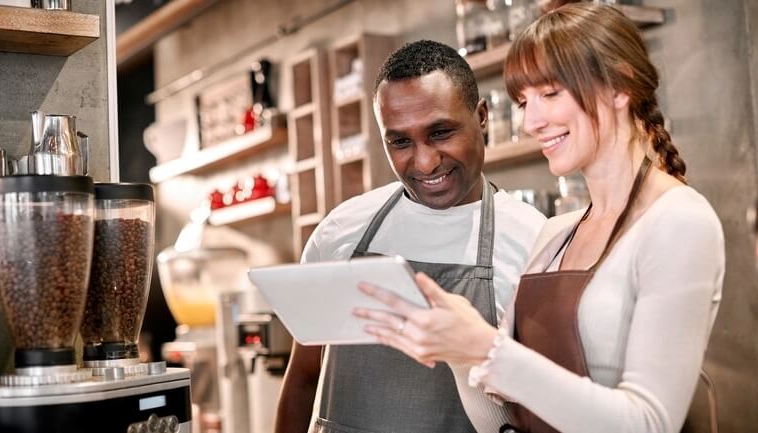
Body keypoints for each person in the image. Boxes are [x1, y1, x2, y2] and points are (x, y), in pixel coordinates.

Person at [354, 4, 725, 433]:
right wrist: (461, 352)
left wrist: (488, 349)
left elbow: (647, 423)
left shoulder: (679, 222)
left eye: (549, 94)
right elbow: (506, 422)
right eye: (523, 101)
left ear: (619, 87)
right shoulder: (554, 235)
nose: (531, 122)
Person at [273, 40, 546, 433]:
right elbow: (301, 380)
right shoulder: (341, 232)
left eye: (440, 132)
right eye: (400, 141)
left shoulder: (531, 241)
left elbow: (537, 405)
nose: (424, 161)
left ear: (482, 116)